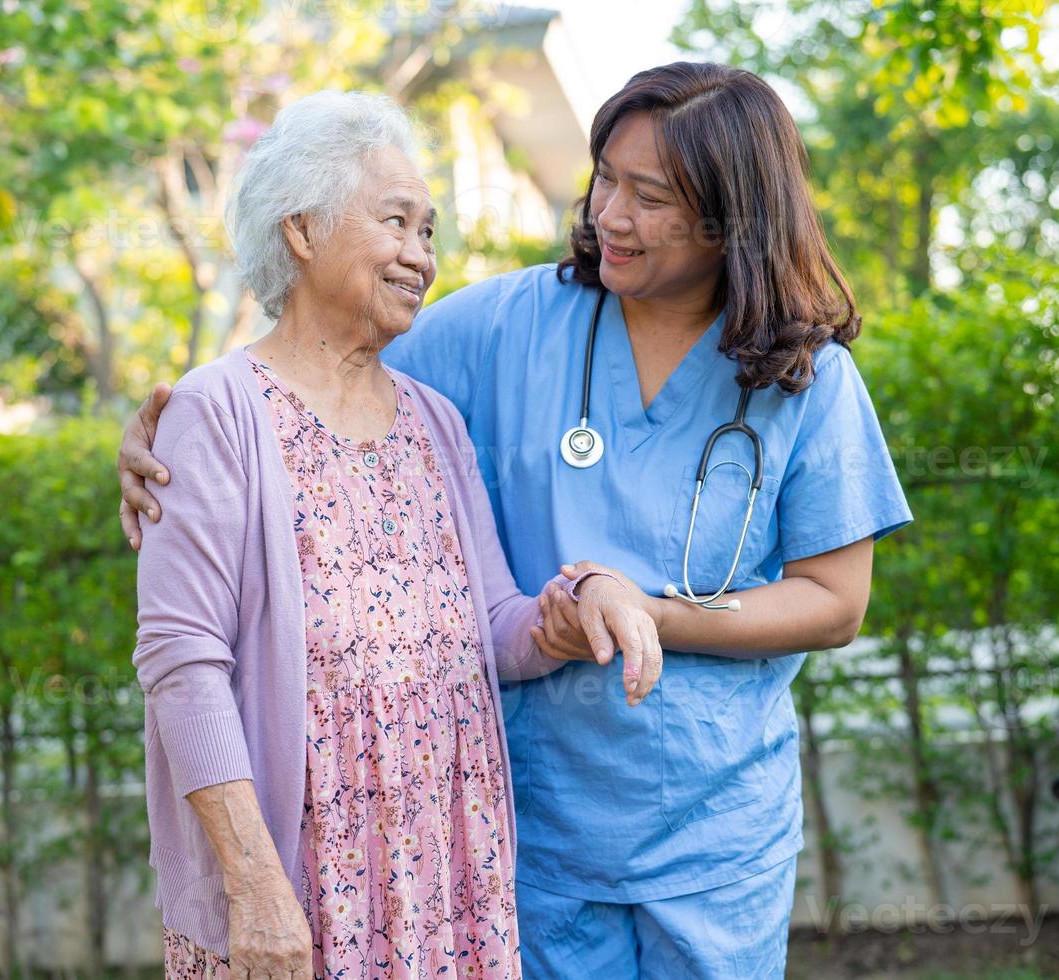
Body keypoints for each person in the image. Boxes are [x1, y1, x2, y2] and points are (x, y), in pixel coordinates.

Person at [123, 63, 913, 978]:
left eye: (649, 197)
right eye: (605, 178)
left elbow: (835, 602)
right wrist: (165, 432)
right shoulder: (504, 324)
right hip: (527, 838)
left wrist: (647, 613)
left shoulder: (801, 376)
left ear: (732, 217)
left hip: (714, 833)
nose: (609, 214)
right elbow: (321, 359)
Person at [131, 90, 662, 980]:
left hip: (446, 863)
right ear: (301, 231)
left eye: (429, 232)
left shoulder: (436, 423)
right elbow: (182, 660)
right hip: (297, 870)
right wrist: (256, 885)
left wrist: (574, 606)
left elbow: (495, 624)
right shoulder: (214, 412)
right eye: (397, 223)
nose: (421, 255)